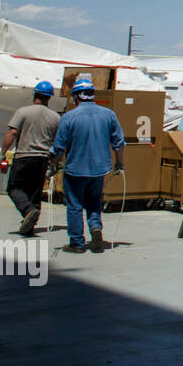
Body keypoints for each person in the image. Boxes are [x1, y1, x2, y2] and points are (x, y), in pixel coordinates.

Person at [50, 77, 124, 254]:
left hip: (75, 170)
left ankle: (77, 243)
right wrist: (120, 163)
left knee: (75, 206)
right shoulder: (108, 114)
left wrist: (52, 166)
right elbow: (119, 144)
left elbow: (58, 147)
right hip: (99, 170)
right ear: (92, 95)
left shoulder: (69, 117)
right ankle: (95, 227)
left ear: (76, 96)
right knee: (93, 201)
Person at [0, 80, 61, 236]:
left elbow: (12, 133)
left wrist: (2, 153)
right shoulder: (55, 117)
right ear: (49, 98)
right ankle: (29, 225)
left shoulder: (23, 112)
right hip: (42, 159)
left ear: (35, 94)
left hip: (24, 157)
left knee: (14, 188)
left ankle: (28, 211)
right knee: (34, 192)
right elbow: (58, 143)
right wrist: (53, 163)